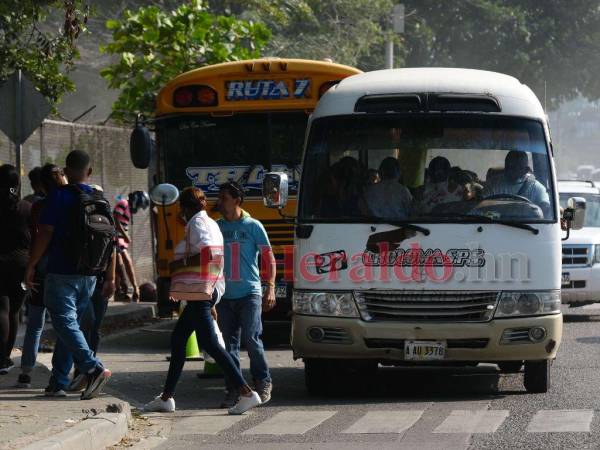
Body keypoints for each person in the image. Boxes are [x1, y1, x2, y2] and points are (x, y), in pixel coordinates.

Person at [143, 187, 261, 414]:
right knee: (179, 340)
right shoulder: (210, 222)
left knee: (211, 345)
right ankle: (166, 398)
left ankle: (246, 393)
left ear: (184, 208)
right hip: (206, 291)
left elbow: (208, 253)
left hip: (201, 293)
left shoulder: (198, 224)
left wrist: (180, 265)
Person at [23, 150, 115, 399]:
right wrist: (110, 276)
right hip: (90, 274)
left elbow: (45, 233)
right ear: (89, 172)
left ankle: (92, 368)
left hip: (62, 271)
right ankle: (60, 380)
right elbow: (110, 240)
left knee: (64, 321)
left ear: (66, 170)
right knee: (70, 325)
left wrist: (31, 265)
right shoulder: (98, 198)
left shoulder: (59, 197)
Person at [215, 181, 276, 408]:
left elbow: (269, 258)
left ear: (236, 201)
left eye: (224, 198)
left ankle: (263, 381)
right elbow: (209, 262)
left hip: (250, 293)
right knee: (227, 347)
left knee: (251, 339)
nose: (219, 203)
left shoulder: (253, 226)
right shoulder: (217, 227)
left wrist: (270, 286)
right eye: (219, 198)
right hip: (224, 296)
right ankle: (234, 389)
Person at [16, 164, 66, 387]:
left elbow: (37, 237)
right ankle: (61, 373)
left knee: (35, 322)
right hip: (63, 268)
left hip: (41, 266)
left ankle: (26, 370)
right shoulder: (70, 203)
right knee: (63, 322)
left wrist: (31, 266)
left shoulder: (37, 208)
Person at [0, 165, 31, 374]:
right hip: (22, 264)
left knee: (1, 310)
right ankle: (6, 357)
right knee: (14, 312)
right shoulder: (27, 208)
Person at [483, 150, 550, 215]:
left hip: (526, 225)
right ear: (505, 166)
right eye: (510, 166)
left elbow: (545, 207)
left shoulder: (536, 187)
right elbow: (480, 207)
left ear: (526, 170)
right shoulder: (493, 184)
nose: (513, 170)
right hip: (493, 224)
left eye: (519, 167)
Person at [113, 198, 139, 302]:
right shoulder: (124, 203)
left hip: (120, 240)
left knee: (123, 264)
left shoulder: (128, 207)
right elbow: (115, 219)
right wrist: (125, 235)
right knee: (121, 264)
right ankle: (123, 290)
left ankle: (133, 288)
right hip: (115, 238)